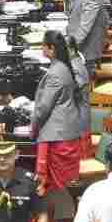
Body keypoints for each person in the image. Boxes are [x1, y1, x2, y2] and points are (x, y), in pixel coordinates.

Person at [30, 31, 87, 199]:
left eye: (43, 45)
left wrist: (32, 126)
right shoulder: (63, 66)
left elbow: (43, 108)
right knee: (64, 186)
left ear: (51, 48)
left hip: (58, 135)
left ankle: (58, 216)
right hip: (66, 129)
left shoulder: (55, 73)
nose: (41, 48)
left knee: (57, 188)